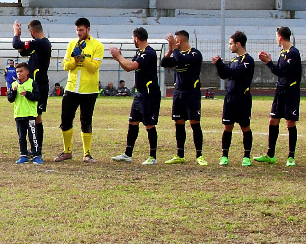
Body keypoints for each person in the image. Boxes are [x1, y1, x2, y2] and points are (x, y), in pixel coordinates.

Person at [110, 28, 160, 164]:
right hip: (140, 94)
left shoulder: (149, 53)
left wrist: (119, 56)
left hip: (150, 94)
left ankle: (152, 157)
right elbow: (127, 68)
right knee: (133, 121)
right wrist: (118, 58)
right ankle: (127, 154)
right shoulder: (140, 52)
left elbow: (132, 66)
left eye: (133, 38)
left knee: (149, 124)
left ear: (136, 38)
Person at [57, 17, 104, 161]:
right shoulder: (71, 44)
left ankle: (87, 154)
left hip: (89, 90)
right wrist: (75, 61)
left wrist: (83, 58)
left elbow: (94, 68)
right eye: (77, 30)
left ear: (88, 29)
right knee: (65, 119)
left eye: (81, 30)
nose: (78, 33)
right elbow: (65, 66)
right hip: (71, 88)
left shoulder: (97, 46)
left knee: (86, 120)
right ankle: (67, 151)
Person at [256, 27, 301, 166]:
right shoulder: (282, 53)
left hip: (290, 92)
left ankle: (291, 157)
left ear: (280, 37)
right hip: (280, 91)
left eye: (276, 36)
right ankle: (270, 154)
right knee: (273, 120)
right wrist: (270, 61)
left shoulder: (293, 53)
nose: (276, 39)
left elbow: (282, 72)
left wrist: (268, 62)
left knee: (290, 122)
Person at [161, 30, 206, 164]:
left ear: (180, 41)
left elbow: (182, 60)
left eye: (176, 40)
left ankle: (199, 155)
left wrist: (175, 49)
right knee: (179, 122)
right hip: (178, 93)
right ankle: (180, 154)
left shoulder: (195, 54)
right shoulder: (176, 53)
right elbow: (164, 63)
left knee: (194, 123)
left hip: (191, 93)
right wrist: (169, 51)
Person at [11, 20, 53, 157]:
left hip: (39, 86)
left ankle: (37, 149)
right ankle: (35, 148)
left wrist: (16, 33)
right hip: (34, 84)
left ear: (32, 32)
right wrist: (22, 47)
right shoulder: (39, 45)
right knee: (32, 117)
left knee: (36, 117)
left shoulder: (41, 43)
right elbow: (22, 51)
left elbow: (16, 44)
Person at [214, 31, 256, 166]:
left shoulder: (248, 60)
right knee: (227, 127)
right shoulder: (234, 60)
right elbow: (224, 75)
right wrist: (218, 65)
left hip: (242, 98)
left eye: (231, 44)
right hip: (230, 98)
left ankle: (246, 156)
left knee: (245, 127)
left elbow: (234, 73)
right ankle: (224, 155)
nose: (229, 46)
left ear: (238, 44)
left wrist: (220, 64)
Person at [10, 62, 42, 163]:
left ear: (27, 72)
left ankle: (36, 155)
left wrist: (27, 94)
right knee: (21, 136)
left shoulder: (32, 83)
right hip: (19, 114)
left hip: (30, 115)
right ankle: (23, 154)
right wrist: (13, 92)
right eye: (17, 72)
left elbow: (37, 97)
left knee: (33, 136)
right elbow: (10, 99)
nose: (19, 74)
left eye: (21, 71)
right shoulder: (14, 84)